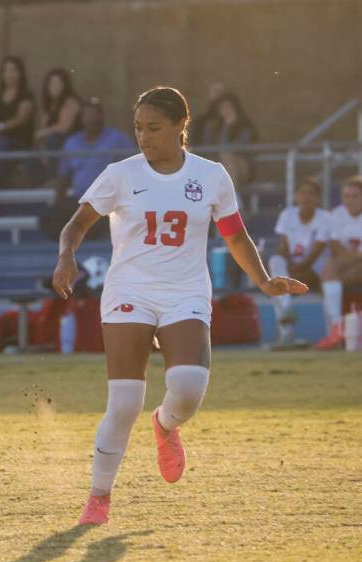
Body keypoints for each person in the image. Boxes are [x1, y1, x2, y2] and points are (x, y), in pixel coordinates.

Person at [51, 86, 307, 526]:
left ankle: (166, 424)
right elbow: (76, 224)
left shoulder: (211, 176)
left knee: (188, 390)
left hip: (185, 291)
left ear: (180, 127)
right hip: (129, 291)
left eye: (153, 128)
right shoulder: (120, 174)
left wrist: (263, 280)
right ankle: (99, 497)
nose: (143, 136)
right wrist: (66, 255)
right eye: (137, 127)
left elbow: (235, 235)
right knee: (124, 402)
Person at [45, 97, 134, 239]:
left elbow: (134, 166)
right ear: (81, 118)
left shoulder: (117, 139)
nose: (91, 119)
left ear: (102, 116)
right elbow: (63, 175)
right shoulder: (71, 143)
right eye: (87, 115)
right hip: (80, 201)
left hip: (108, 202)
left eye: (94, 114)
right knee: (49, 216)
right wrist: (59, 200)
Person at [267, 178, 330, 346]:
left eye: (311, 193)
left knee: (278, 283)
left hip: (317, 270)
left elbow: (315, 255)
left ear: (318, 198)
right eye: (302, 192)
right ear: (296, 196)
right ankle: (287, 322)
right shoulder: (287, 214)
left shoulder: (326, 218)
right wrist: (284, 270)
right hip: (294, 268)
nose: (306, 197)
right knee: (274, 265)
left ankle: (286, 334)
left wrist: (291, 273)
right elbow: (284, 247)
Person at [317, 175, 362, 348]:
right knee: (330, 268)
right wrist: (354, 258)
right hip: (349, 265)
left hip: (354, 264)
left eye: (355, 196)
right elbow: (335, 246)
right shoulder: (337, 214)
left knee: (333, 267)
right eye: (346, 196)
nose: (350, 200)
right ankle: (336, 329)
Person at [0, 56, 36, 188]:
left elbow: (21, 119)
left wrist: (0, 127)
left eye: (14, 70)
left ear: (21, 73)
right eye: (6, 70)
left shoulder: (26, 95)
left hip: (16, 142)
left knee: (3, 146)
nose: (10, 74)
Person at [209, 93, 256, 188]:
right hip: (220, 163)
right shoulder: (217, 127)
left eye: (228, 107)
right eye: (222, 108)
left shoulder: (245, 126)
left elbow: (235, 147)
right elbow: (216, 147)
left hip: (241, 164)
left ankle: (234, 198)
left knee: (226, 157)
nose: (225, 110)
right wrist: (225, 126)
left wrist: (229, 125)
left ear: (235, 108)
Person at [35, 68, 83, 158]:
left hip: (71, 144)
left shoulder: (71, 101)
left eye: (57, 83)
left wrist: (42, 133)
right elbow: (43, 127)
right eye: (51, 84)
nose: (54, 87)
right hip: (49, 147)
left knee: (54, 139)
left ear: (65, 85)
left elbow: (63, 127)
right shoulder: (49, 106)